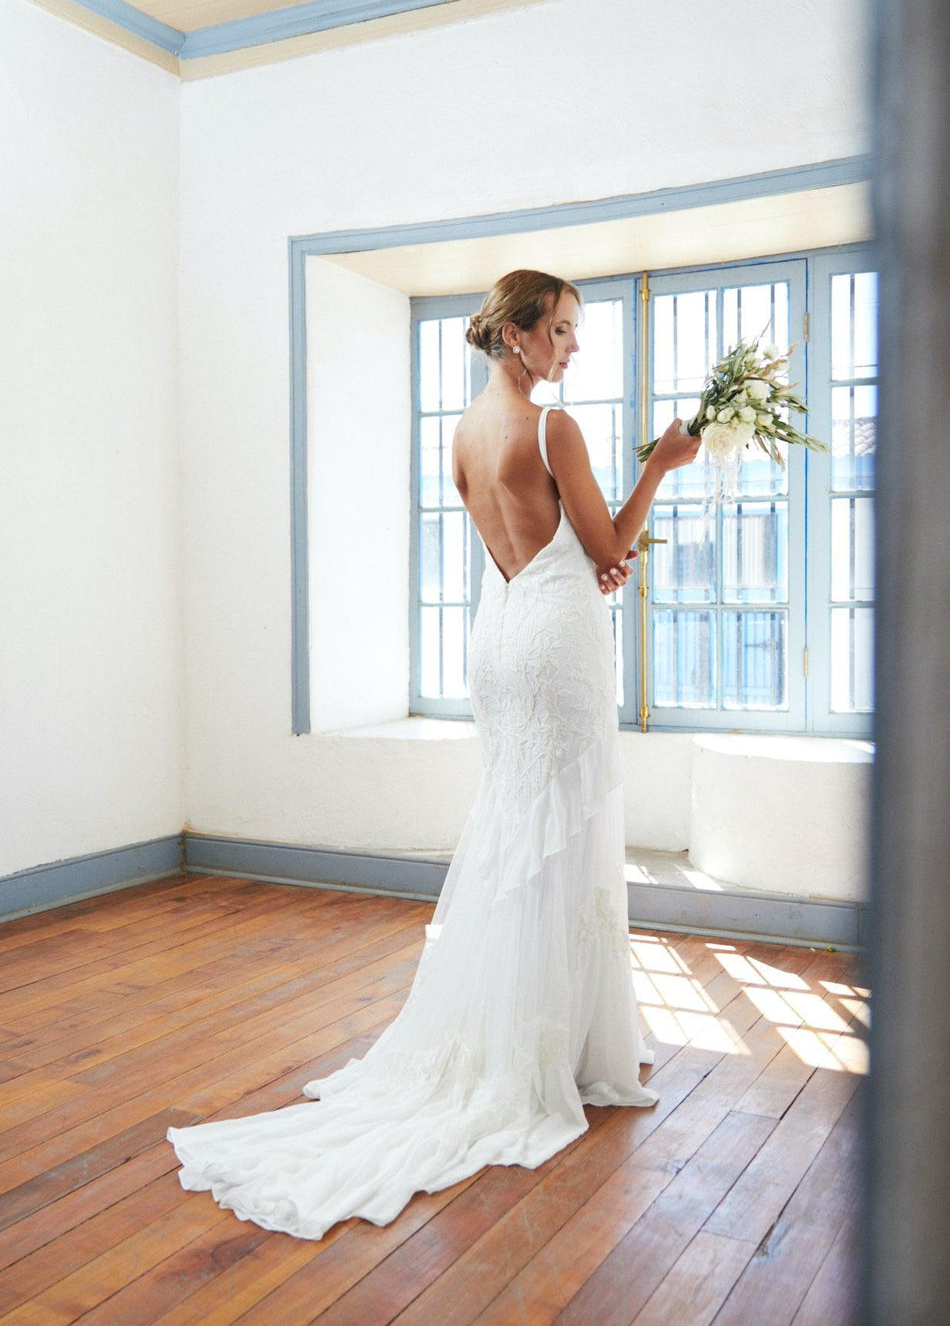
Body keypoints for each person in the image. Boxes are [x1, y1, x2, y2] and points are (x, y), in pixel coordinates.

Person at [165, 269, 701, 1240]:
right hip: (553, 642)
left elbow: (538, 545)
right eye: (564, 331)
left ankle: (528, 1035)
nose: (574, 348)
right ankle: (545, 1055)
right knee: (563, 826)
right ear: (519, 337)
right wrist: (662, 465)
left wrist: (594, 560)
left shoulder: (461, 432)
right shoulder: (555, 427)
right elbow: (606, 536)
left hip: (501, 634)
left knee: (515, 825)